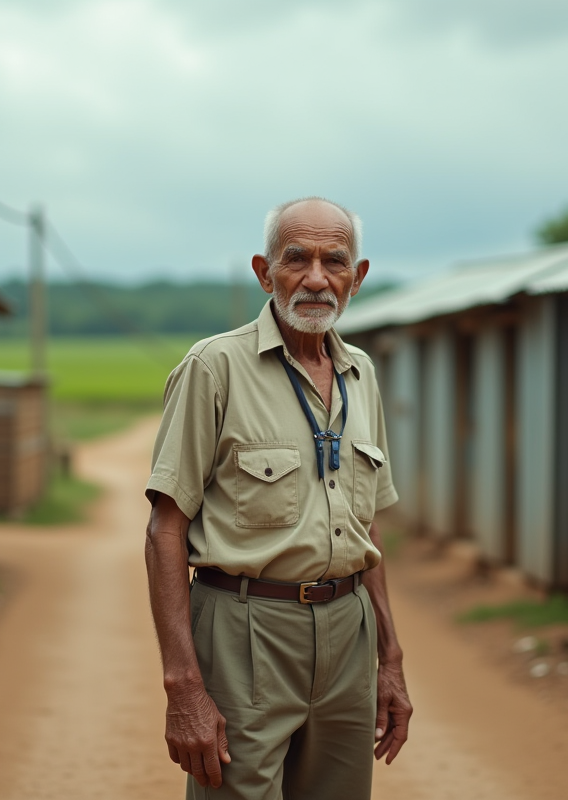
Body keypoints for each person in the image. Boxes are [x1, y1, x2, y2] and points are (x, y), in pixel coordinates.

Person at [143, 197, 413, 799]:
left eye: (334, 262)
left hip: (351, 632)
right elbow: (164, 529)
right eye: (297, 259)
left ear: (357, 277)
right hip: (244, 630)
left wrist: (389, 658)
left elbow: (367, 531)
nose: (317, 278)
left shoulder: (362, 373)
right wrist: (183, 685)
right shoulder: (214, 367)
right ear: (265, 272)